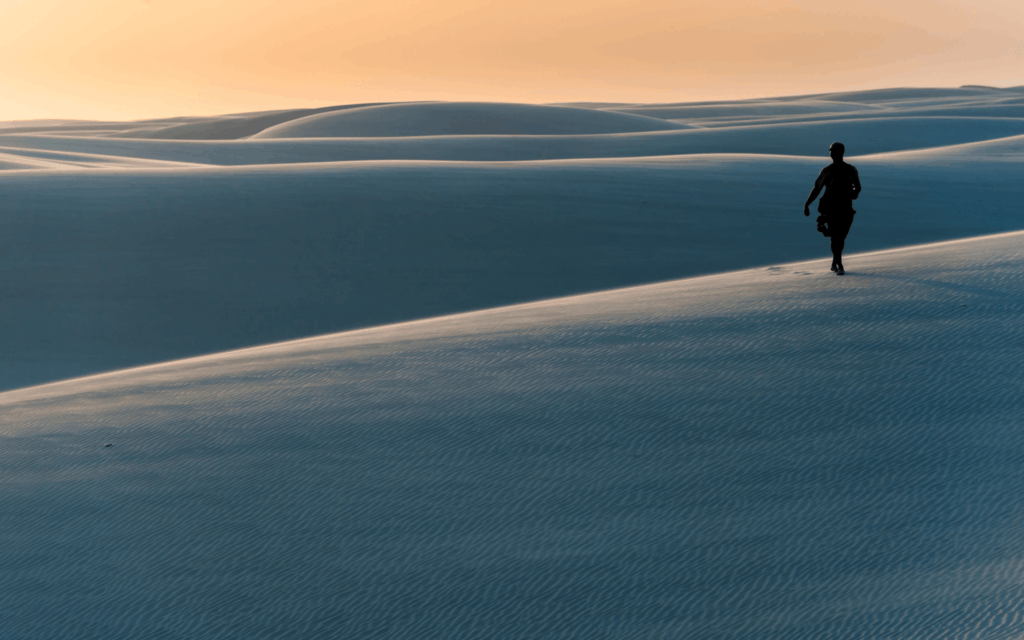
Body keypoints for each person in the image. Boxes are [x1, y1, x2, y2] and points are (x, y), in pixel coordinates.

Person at [804, 142, 861, 275]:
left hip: (846, 209)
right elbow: (817, 188)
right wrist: (807, 204)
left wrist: (854, 193)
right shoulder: (827, 171)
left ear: (841, 152)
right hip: (831, 209)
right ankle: (839, 265)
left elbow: (858, 186)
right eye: (831, 151)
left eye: (833, 151)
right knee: (836, 237)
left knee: (841, 237)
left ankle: (834, 262)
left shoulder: (851, 170)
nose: (831, 154)